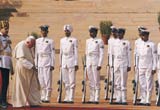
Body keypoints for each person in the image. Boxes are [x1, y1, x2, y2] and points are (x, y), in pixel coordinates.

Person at [12, 36, 41, 107]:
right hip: (22, 69)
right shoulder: (21, 45)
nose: (32, 46)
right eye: (32, 45)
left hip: (30, 70)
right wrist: (31, 66)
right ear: (28, 42)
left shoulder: (29, 46)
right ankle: (21, 103)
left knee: (33, 85)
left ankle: (34, 102)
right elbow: (21, 59)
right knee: (21, 86)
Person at [135, 29, 157, 106]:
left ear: (147, 35)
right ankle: (143, 99)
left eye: (144, 35)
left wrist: (154, 67)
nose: (142, 37)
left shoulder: (152, 44)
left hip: (149, 66)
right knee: (142, 83)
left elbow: (155, 57)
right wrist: (136, 65)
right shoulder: (139, 44)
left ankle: (148, 100)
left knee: (149, 83)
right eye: (141, 35)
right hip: (141, 66)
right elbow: (137, 56)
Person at [35, 25, 55, 103]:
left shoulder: (50, 41)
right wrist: (36, 64)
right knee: (41, 80)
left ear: (47, 32)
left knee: (48, 80)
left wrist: (52, 64)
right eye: (42, 31)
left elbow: (52, 53)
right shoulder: (37, 41)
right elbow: (36, 52)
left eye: (45, 31)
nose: (43, 32)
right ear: (41, 32)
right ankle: (43, 95)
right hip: (40, 61)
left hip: (47, 61)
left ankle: (47, 96)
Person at [59, 24, 78, 103]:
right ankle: (66, 96)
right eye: (65, 31)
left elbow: (76, 52)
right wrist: (60, 63)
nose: (66, 32)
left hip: (71, 60)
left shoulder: (74, 40)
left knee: (72, 80)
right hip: (64, 61)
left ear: (70, 31)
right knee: (65, 81)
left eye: (67, 31)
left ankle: (71, 97)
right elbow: (61, 52)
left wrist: (76, 63)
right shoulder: (62, 40)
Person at [85, 26, 104, 104]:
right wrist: (86, 63)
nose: (91, 33)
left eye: (93, 32)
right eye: (90, 32)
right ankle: (91, 97)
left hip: (95, 60)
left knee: (96, 80)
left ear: (96, 33)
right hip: (89, 60)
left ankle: (96, 98)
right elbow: (86, 52)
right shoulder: (88, 41)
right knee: (90, 80)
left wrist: (100, 64)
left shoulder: (99, 41)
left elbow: (102, 53)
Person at [0, 20, 13, 109]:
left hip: (7, 62)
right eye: (5, 28)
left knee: (6, 82)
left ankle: (3, 99)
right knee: (3, 82)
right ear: (1, 28)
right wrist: (6, 44)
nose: (7, 30)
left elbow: (9, 52)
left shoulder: (7, 37)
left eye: (8, 28)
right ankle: (2, 101)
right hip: (1, 62)